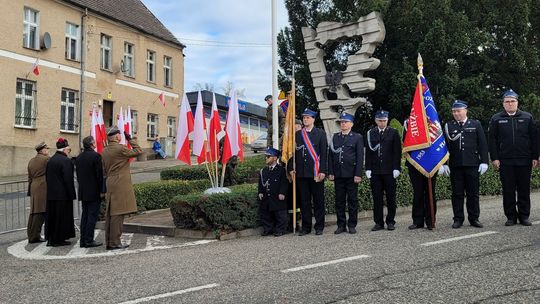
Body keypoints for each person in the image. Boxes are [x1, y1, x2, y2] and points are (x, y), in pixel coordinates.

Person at [489, 89, 538, 226]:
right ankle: (511, 216)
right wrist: (495, 158)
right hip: (506, 160)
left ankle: (524, 216)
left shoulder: (527, 117)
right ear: (503, 104)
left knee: (524, 189)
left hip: (524, 159)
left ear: (517, 102)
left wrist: (535, 156)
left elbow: (534, 138)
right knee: (508, 190)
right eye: (507, 102)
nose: (510, 104)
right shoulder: (496, 119)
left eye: (512, 101)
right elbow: (492, 140)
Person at [443, 100, 489, 229]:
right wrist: (444, 164)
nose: (456, 113)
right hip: (455, 165)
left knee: (473, 194)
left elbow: (483, 144)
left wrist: (484, 161)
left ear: (465, 111)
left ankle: (474, 218)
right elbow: (444, 147)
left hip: (472, 164)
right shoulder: (448, 126)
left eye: (458, 111)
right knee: (457, 194)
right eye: (454, 111)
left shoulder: (476, 124)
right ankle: (458, 219)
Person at [288, 108, 328, 236]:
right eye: (304, 118)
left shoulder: (320, 133)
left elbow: (324, 153)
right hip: (301, 173)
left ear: (313, 119)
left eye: (308, 117)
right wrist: (290, 168)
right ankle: (306, 227)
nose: (305, 119)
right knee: (304, 202)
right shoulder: (298, 135)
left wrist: (323, 171)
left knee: (318, 201)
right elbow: (292, 154)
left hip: (315, 173)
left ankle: (319, 226)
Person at [102, 126, 143, 250]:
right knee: (118, 214)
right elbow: (138, 151)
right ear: (116, 137)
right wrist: (130, 139)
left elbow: (103, 169)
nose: (121, 137)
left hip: (110, 181)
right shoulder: (120, 149)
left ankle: (110, 241)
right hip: (120, 183)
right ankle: (115, 242)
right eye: (119, 135)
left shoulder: (104, 150)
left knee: (111, 213)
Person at [365, 110, 402, 231]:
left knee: (391, 198)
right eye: (380, 120)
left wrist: (396, 167)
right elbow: (369, 153)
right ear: (376, 121)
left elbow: (397, 151)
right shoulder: (370, 133)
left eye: (384, 120)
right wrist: (368, 168)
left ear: (387, 120)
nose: (382, 123)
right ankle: (378, 222)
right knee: (377, 198)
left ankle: (390, 221)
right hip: (375, 171)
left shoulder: (393, 133)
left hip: (389, 170)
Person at [328, 113, 364, 234]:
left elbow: (360, 157)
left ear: (351, 124)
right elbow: (331, 156)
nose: (343, 124)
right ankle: (341, 225)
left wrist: (358, 174)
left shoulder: (357, 137)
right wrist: (331, 172)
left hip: (351, 174)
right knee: (339, 201)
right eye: (341, 122)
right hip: (338, 174)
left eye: (345, 122)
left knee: (352, 201)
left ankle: (352, 224)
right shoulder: (335, 137)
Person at [404, 119, 439, 230]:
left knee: (430, 192)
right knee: (418, 192)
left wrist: (442, 163)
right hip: (415, 162)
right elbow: (405, 142)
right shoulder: (409, 122)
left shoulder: (432, 120)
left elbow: (439, 140)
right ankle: (418, 221)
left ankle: (430, 220)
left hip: (431, 162)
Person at [45, 138, 76, 247]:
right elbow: (68, 179)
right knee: (61, 218)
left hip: (52, 194)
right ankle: (58, 239)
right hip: (62, 195)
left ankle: (51, 238)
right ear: (64, 150)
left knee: (52, 217)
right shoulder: (66, 161)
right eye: (69, 150)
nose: (69, 152)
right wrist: (71, 194)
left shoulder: (51, 160)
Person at [75, 136, 104, 247]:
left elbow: (78, 175)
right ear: (92, 144)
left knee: (85, 216)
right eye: (94, 142)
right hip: (93, 191)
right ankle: (89, 240)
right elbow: (99, 176)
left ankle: (83, 240)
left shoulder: (79, 157)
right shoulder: (96, 156)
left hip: (83, 191)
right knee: (92, 217)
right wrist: (102, 190)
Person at [258, 147, 289, 237]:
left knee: (280, 215)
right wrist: (260, 192)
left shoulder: (281, 170)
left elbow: (284, 182)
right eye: (266, 156)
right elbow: (261, 183)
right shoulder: (263, 171)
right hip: (267, 197)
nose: (266, 158)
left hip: (277, 196)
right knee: (266, 214)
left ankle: (280, 229)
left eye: (268, 156)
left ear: (275, 158)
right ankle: (268, 229)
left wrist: (282, 193)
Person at [26, 142, 49, 243]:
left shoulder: (31, 161)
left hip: (33, 186)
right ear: (43, 150)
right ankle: (35, 236)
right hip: (42, 187)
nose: (47, 150)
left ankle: (31, 234)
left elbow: (29, 177)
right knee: (40, 212)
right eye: (46, 149)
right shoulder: (46, 159)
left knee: (33, 212)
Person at [286, 118, 304, 232]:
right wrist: (290, 169)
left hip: (302, 172)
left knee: (303, 199)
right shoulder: (288, 139)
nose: (295, 128)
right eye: (294, 127)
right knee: (292, 200)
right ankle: (293, 222)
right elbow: (287, 156)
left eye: (297, 126)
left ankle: (302, 221)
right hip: (291, 174)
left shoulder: (304, 137)